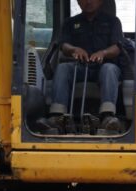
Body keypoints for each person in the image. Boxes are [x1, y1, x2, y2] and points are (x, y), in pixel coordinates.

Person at [46, 0, 124, 132]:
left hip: (103, 66)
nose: (88, 1)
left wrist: (103, 53)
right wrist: (74, 50)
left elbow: (117, 47)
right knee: (63, 68)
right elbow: (64, 45)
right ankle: (56, 117)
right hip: (80, 67)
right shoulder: (70, 22)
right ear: (78, 2)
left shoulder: (113, 21)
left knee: (109, 69)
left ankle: (108, 117)